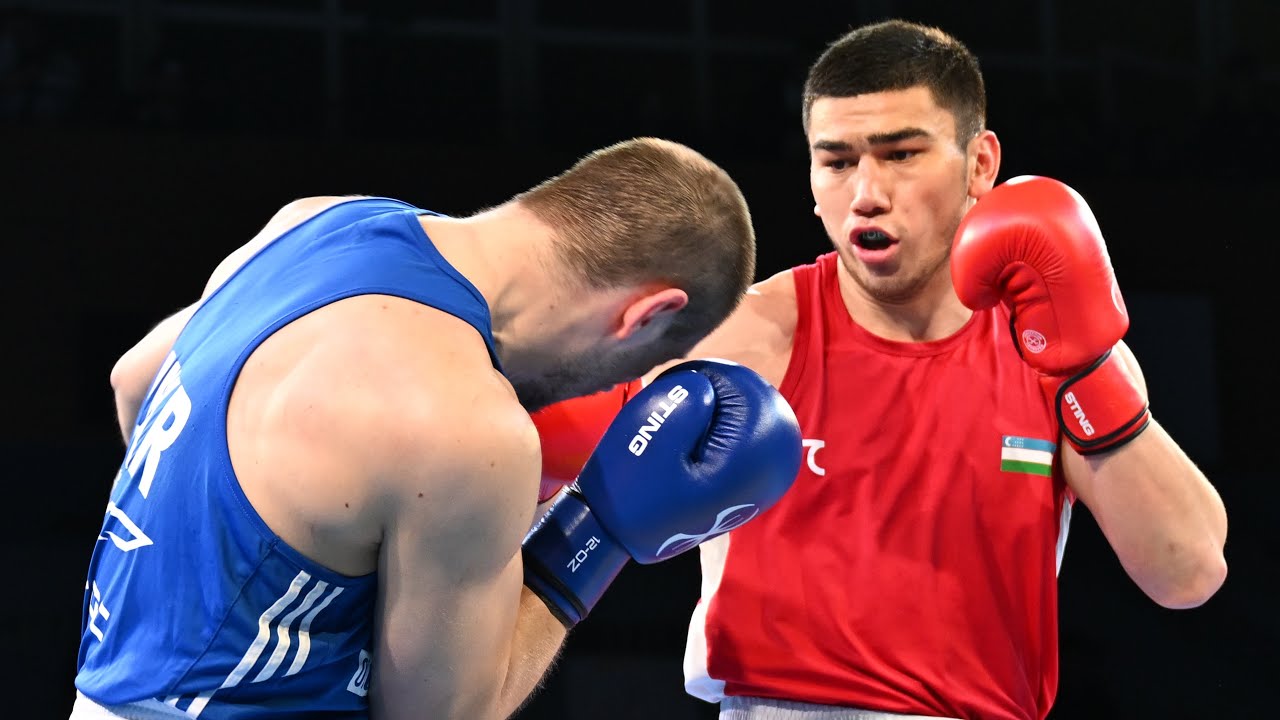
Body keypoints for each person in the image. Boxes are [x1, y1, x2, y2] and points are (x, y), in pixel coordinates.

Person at [530, 20, 1229, 720]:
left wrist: (1086, 370)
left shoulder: (1054, 351)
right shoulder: (748, 336)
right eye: (837, 162)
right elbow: (542, 477)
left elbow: (1189, 572)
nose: (866, 192)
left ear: (980, 164)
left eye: (901, 155)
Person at [70, 136, 808, 720]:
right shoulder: (467, 428)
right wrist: (600, 529)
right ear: (645, 315)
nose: (609, 391)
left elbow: (134, 379)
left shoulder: (317, 221)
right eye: (640, 365)